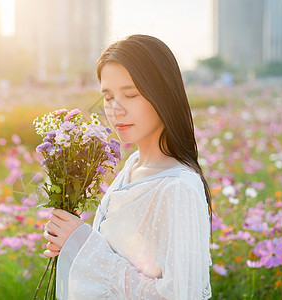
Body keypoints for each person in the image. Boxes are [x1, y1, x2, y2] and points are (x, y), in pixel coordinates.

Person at [42, 35, 213, 299]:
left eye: (130, 94)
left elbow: (180, 295)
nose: (116, 109)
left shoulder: (178, 187)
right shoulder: (133, 165)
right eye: (108, 97)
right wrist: (71, 241)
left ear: (163, 94)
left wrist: (83, 245)